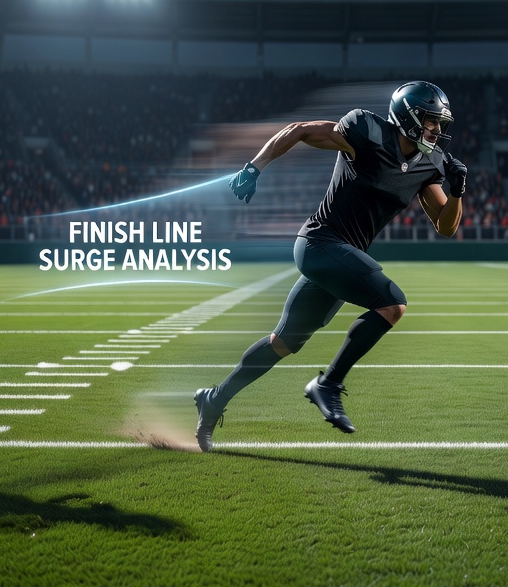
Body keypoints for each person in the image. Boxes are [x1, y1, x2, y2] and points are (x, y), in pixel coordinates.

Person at [193, 81, 467, 450]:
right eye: (431, 122)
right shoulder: (366, 131)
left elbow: (447, 227)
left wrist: (457, 192)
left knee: (283, 343)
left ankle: (213, 400)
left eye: (440, 124)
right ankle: (328, 384)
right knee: (391, 303)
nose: (437, 130)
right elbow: (301, 131)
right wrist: (254, 168)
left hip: (341, 259)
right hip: (319, 244)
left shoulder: (429, 164)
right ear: (408, 117)